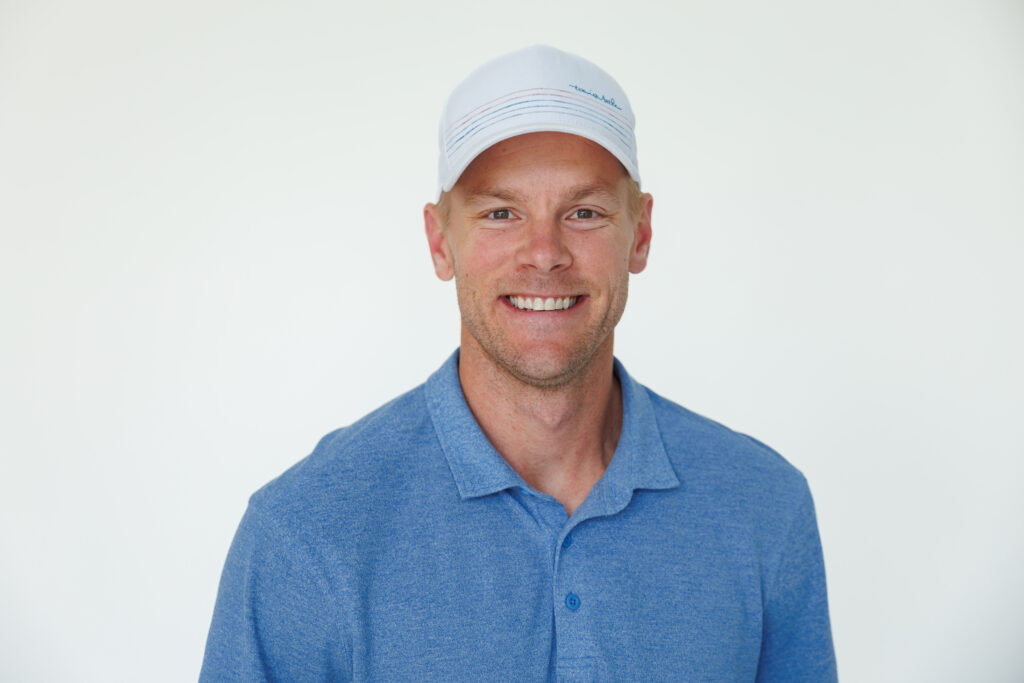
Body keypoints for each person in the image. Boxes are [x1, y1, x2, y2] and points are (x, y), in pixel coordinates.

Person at [200, 45, 837, 681]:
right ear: (439, 241)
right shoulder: (305, 532)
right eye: (501, 213)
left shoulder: (763, 508)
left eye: (584, 212)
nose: (543, 253)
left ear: (639, 234)